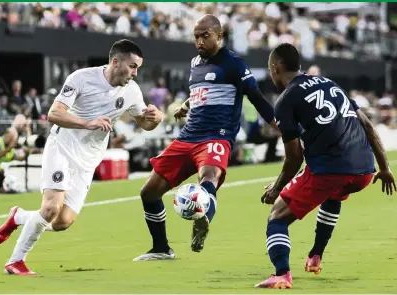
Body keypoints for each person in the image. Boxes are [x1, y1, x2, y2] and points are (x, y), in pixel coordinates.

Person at [0, 39, 163, 275]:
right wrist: (87, 123)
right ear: (115, 61)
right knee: (51, 208)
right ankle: (15, 261)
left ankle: (19, 216)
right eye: (133, 66)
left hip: (88, 160)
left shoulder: (132, 91)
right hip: (61, 146)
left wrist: (156, 118)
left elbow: (144, 124)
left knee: (62, 222)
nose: (135, 73)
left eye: (138, 68)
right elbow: (53, 114)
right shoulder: (81, 78)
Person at [133, 15, 275, 261]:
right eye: (196, 37)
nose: (199, 41)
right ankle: (161, 248)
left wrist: (282, 126)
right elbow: (202, 90)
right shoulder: (195, 63)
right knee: (149, 192)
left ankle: (203, 218)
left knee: (208, 177)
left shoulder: (235, 64)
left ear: (219, 36)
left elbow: (257, 98)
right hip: (188, 136)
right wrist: (186, 105)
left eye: (205, 36)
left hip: (216, 136)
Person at [255, 43, 396, 289]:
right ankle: (316, 256)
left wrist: (277, 188)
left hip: (331, 169)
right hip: (364, 170)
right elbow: (368, 126)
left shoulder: (286, 100)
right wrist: (384, 168)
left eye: (270, 70)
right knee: (335, 194)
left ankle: (282, 274)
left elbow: (294, 157)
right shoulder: (330, 83)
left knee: (277, 217)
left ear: (275, 68)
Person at [0, 115, 31, 194]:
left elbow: (23, 156)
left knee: (4, 182)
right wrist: (9, 148)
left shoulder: (11, 151)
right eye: (12, 137)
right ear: (7, 134)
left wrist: (28, 132)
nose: (13, 140)